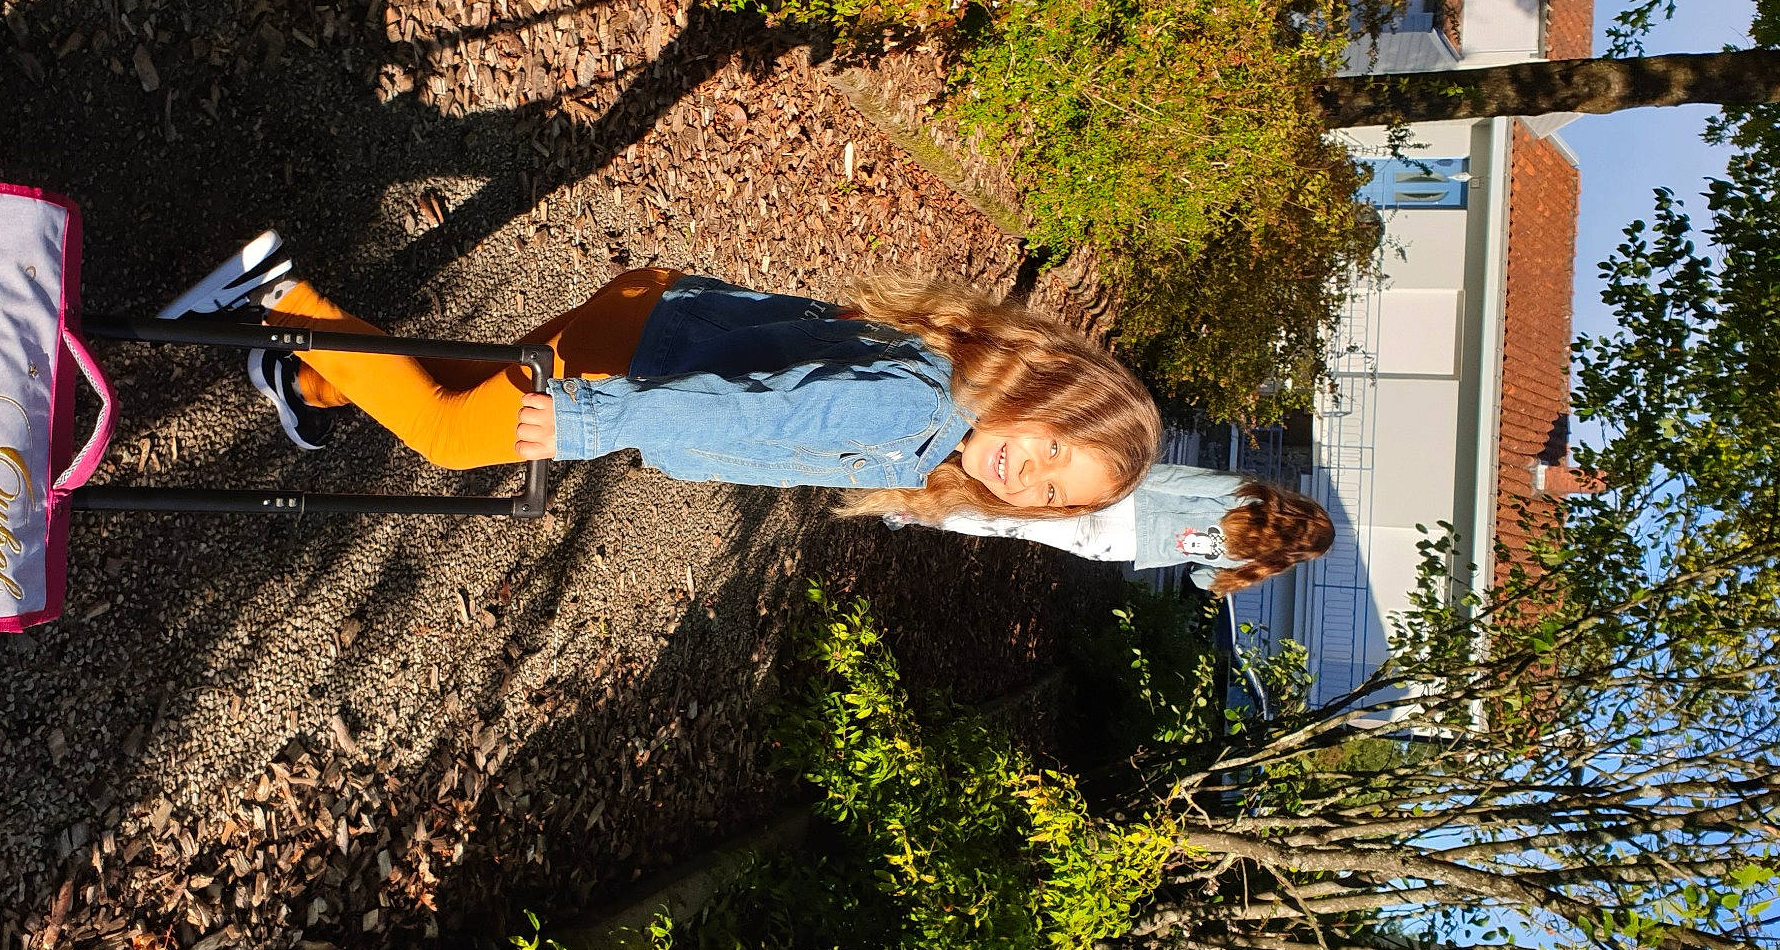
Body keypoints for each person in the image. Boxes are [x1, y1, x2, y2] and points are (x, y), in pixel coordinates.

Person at [164, 232, 1163, 519]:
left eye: (1042, 492)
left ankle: (318, 381)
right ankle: (272, 300)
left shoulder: (941, 391)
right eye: (1048, 449)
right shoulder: (913, 411)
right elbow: (753, 414)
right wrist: (594, 423)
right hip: (641, 361)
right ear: (1051, 392)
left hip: (657, 318)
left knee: (476, 389)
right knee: (455, 435)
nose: (1019, 473)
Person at [886, 464, 1334, 595]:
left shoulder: (1250, 497)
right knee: (1014, 526)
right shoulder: (1252, 563)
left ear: (1299, 509)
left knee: (1027, 496)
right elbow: (1200, 579)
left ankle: (946, 473)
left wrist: (1127, 472)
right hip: (1114, 544)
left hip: (1127, 502)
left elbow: (1176, 481)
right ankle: (918, 510)